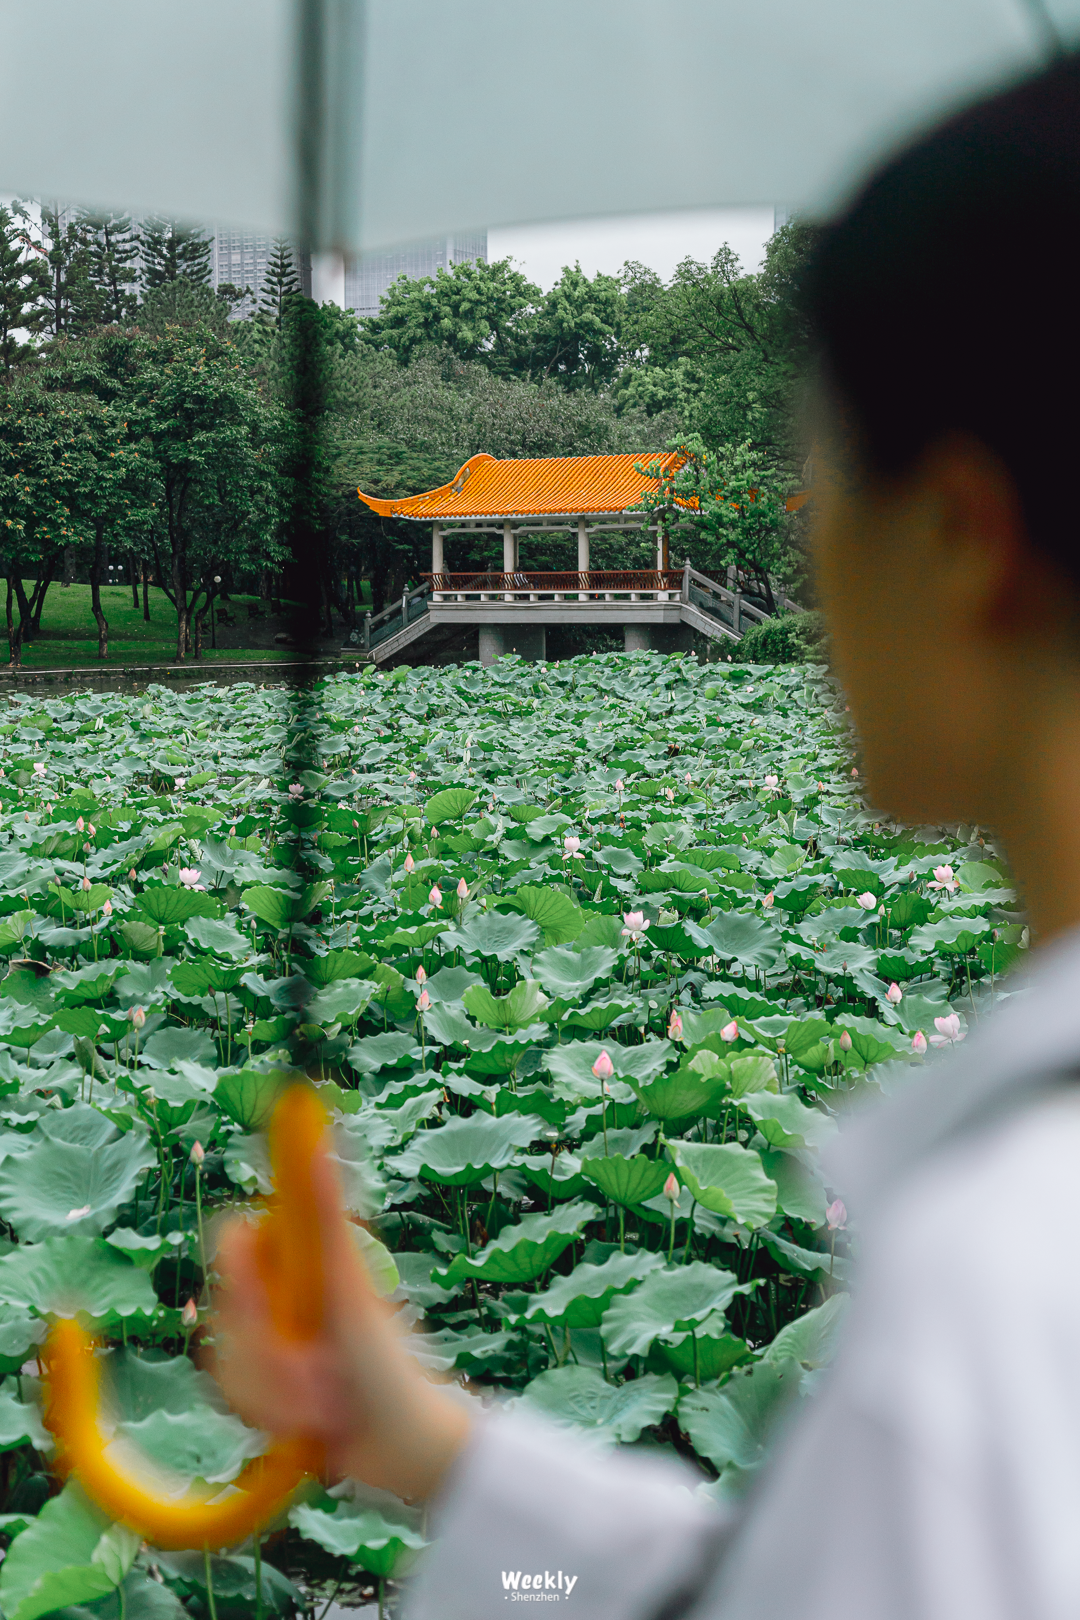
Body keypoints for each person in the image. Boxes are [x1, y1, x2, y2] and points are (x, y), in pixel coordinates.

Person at [213, 53, 1080, 1620]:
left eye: (826, 481)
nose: (809, 560)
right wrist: (429, 1448)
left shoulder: (1002, 1276)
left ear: (959, 531)